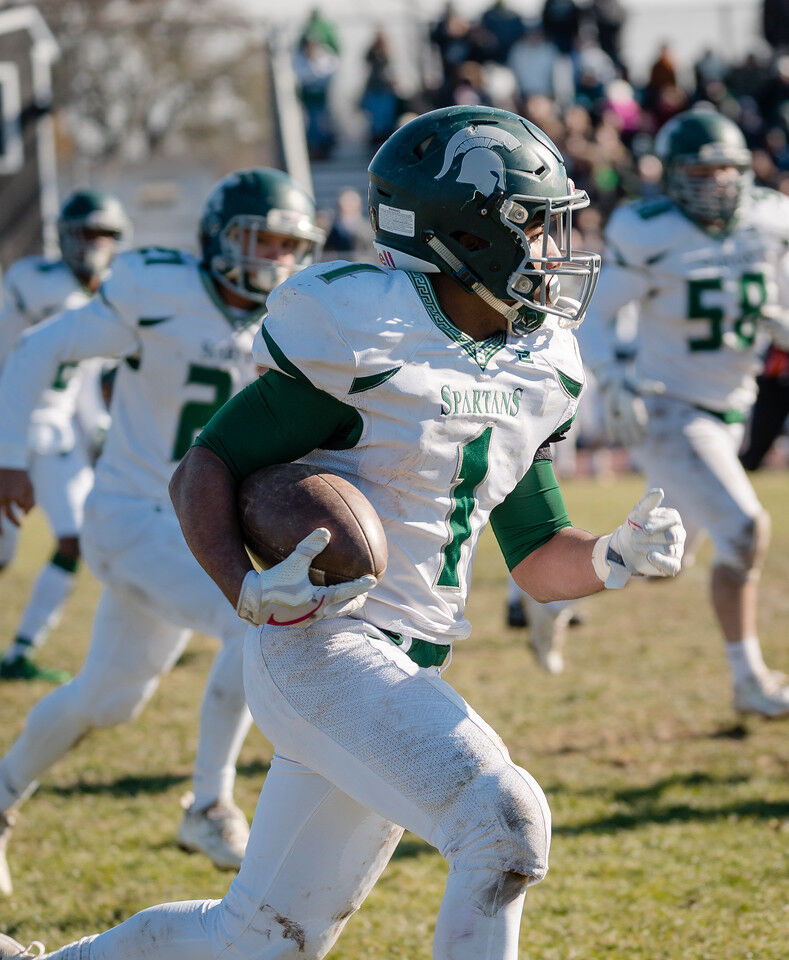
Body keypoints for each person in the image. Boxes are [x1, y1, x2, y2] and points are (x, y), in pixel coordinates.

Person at [1, 105, 685, 960]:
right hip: (322, 647)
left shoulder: (538, 362)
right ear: (466, 232)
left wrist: (615, 556)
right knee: (503, 821)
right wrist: (245, 589)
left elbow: (539, 555)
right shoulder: (365, 328)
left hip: (406, 663)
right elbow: (204, 467)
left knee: (260, 940)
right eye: (535, 225)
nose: (555, 248)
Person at [0, 168, 326, 894]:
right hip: (131, 515)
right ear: (219, 238)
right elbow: (37, 349)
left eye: (289, 244)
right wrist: (11, 457)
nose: (276, 258)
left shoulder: (291, 321)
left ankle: (0, 794)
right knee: (254, 619)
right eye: (262, 240)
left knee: (107, 699)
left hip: (193, 527)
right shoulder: (157, 289)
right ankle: (208, 805)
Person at [582, 108, 789, 717]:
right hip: (669, 407)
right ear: (673, 176)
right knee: (745, 531)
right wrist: (611, 377)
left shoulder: (770, 220)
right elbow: (594, 315)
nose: (715, 184)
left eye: (725, 169)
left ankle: (549, 602)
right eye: (700, 172)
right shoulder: (650, 230)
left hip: (731, 408)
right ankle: (748, 679)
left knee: (660, 559)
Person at [0, 190, 130, 684]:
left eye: (105, 235)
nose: (95, 245)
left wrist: (98, 432)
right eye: (87, 234)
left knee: (76, 539)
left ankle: (21, 651)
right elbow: (51, 315)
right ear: (66, 237)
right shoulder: (38, 280)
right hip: (9, 422)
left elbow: (82, 385)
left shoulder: (105, 298)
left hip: (55, 433)